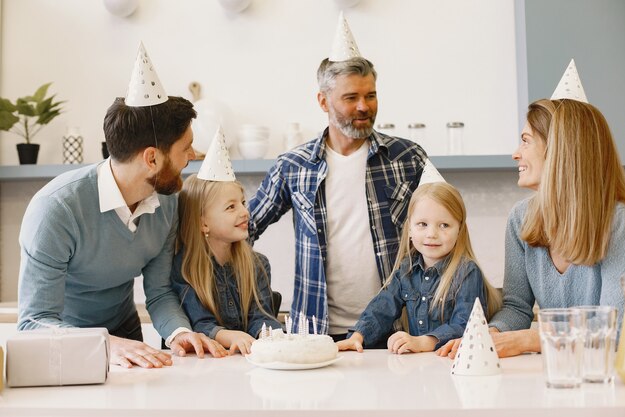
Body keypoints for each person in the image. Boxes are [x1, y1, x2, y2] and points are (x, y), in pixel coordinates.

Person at [18, 44, 227, 368]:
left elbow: (158, 291)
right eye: (185, 148)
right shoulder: (55, 210)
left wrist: (178, 332)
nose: (192, 156)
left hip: (126, 336)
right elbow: (34, 323)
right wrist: (103, 344)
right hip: (64, 342)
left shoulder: (168, 202)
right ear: (152, 158)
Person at [248, 54, 431, 339]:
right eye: (350, 97)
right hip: (316, 333)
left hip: (396, 330)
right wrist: (247, 299)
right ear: (323, 101)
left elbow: (449, 227)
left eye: (370, 95)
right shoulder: (294, 166)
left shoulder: (408, 158)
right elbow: (242, 228)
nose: (363, 106)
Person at [437, 98, 625, 358]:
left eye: (526, 140)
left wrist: (531, 339)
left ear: (560, 149)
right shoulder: (520, 219)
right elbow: (516, 308)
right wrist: (490, 333)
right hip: (556, 373)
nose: (516, 153)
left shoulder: (619, 224)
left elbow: (614, 330)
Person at [336, 182, 501, 353]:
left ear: (459, 230)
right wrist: (358, 336)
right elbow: (382, 308)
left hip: (452, 364)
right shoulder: (406, 271)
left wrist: (423, 342)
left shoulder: (467, 272)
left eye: (444, 225)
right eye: (422, 224)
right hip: (418, 367)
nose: (431, 234)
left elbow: (466, 325)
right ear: (409, 229)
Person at [171, 174, 282, 355]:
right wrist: (232, 337)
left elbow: (261, 317)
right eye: (231, 207)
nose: (245, 212)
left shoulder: (257, 265)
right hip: (202, 365)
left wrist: (267, 335)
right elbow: (201, 324)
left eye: (243, 203)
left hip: (245, 362)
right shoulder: (184, 269)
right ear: (203, 223)